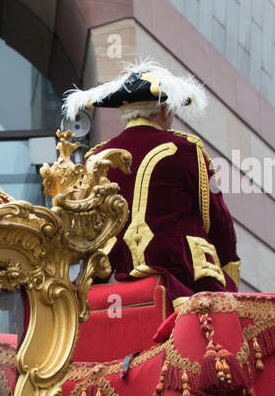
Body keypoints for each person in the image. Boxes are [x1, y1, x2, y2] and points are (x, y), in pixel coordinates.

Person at [63, 60, 240, 299]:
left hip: (109, 276)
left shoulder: (95, 156)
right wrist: (229, 271)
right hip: (178, 278)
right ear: (165, 110)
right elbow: (218, 222)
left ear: (125, 112)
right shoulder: (186, 149)